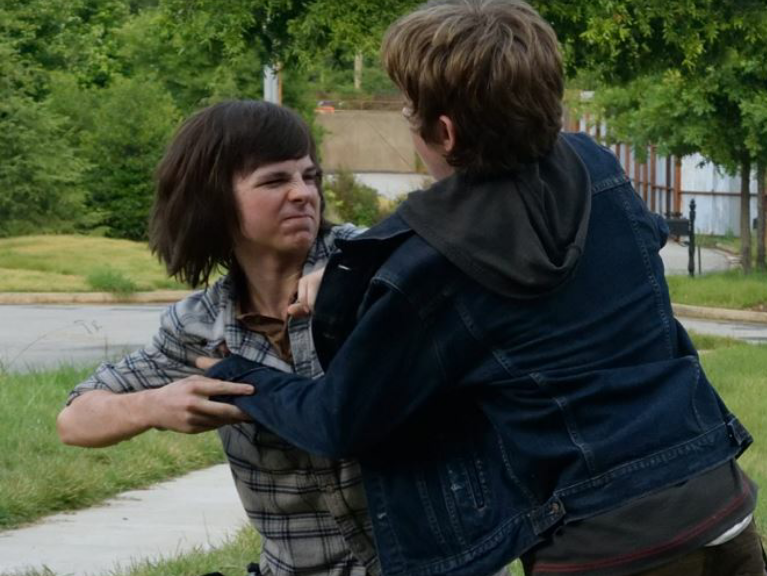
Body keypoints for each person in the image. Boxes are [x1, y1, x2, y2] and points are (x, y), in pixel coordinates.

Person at [203, 2, 766, 576]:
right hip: (720, 502)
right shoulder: (597, 168)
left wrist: (238, 375)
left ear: (444, 133)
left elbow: (339, 420)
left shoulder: (428, 268)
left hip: (605, 547)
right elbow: (636, 242)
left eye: (409, 110)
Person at [56, 100, 382, 576]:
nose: (303, 194)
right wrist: (152, 406)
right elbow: (74, 420)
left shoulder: (377, 259)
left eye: (310, 176)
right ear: (214, 200)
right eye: (275, 181)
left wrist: (359, 278)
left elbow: (440, 263)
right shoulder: (200, 326)